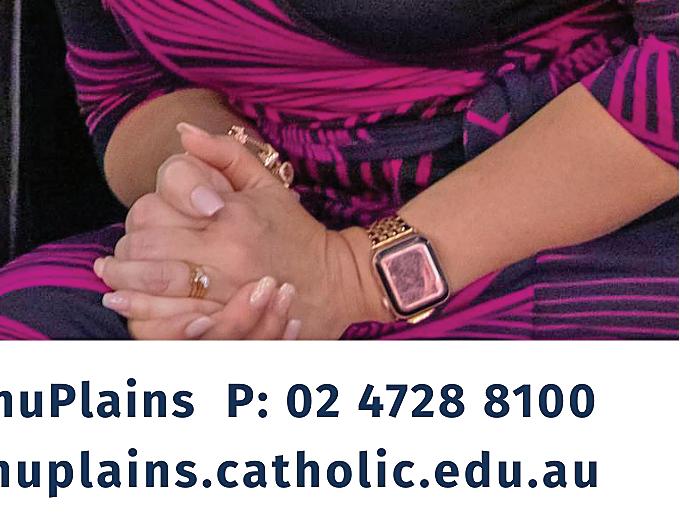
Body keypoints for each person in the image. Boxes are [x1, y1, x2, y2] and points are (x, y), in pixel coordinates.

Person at [0, 0, 677, 340]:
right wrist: (235, 209)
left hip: (578, 214)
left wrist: (349, 274)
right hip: (291, 221)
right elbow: (126, 91)